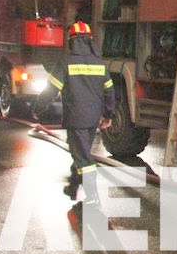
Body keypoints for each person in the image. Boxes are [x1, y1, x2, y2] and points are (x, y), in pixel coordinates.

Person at [32, 21, 115, 200]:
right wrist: (108, 114)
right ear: (90, 40)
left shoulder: (66, 62)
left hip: (76, 118)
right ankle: (73, 186)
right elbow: (109, 90)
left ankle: (93, 196)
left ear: (72, 41)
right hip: (94, 119)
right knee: (81, 152)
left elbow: (51, 90)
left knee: (83, 157)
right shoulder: (99, 63)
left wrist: (38, 108)